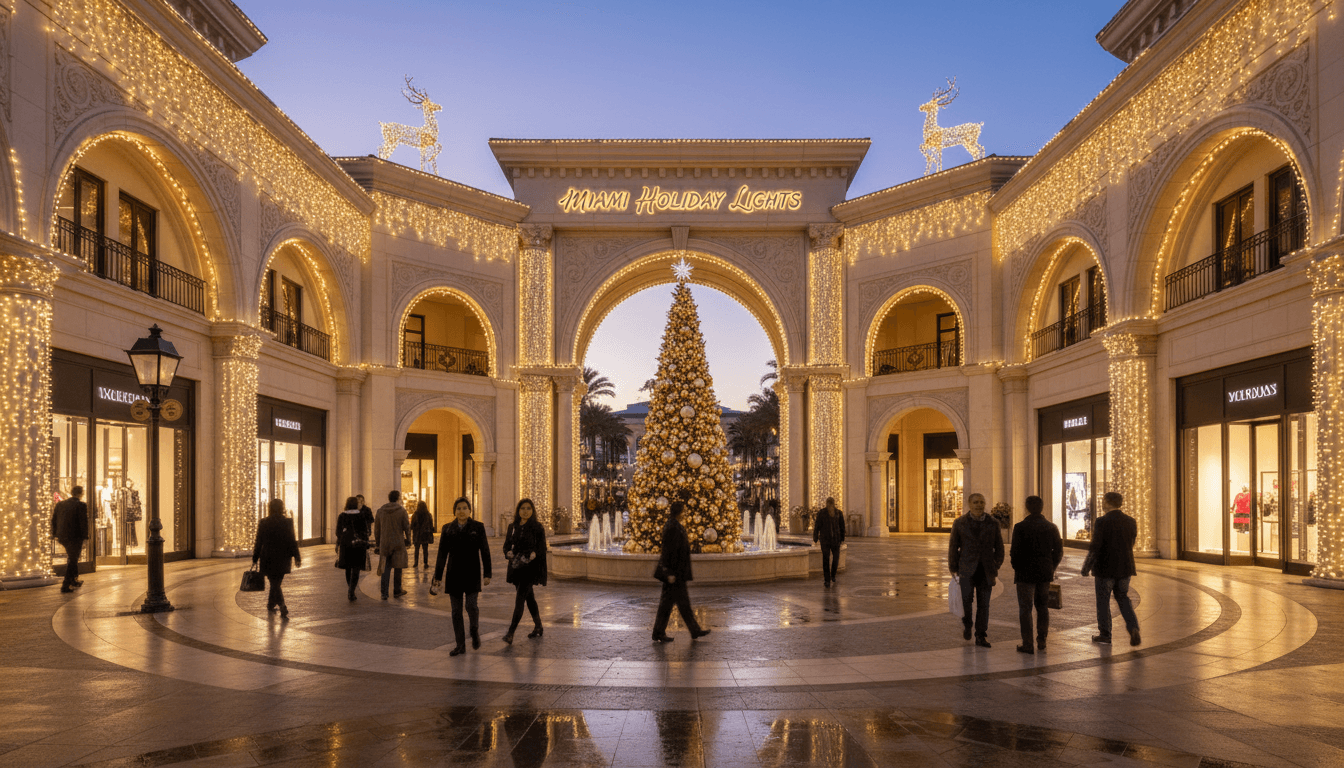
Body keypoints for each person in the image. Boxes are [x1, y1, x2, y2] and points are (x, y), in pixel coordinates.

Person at [432, 497, 492, 656]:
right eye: (458, 508)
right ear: (455, 511)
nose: (461, 511)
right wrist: (437, 577)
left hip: (472, 574)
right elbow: (441, 555)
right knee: (455, 611)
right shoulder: (447, 529)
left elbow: (485, 551)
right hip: (454, 574)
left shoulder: (478, 527)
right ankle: (460, 644)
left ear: (470, 510)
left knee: (471, 606)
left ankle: (474, 630)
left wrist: (487, 574)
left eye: (465, 508)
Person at [1082, 491, 1141, 646]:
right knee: (1123, 598)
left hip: (1105, 568)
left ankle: (1105, 634)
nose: (1102, 503)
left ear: (1108, 502)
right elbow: (1131, 542)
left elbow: (1096, 546)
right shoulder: (1131, 521)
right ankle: (1133, 628)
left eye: (1103, 500)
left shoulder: (1101, 521)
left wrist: (1087, 566)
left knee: (1103, 601)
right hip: (1125, 567)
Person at [948, 492, 1004, 648]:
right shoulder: (959, 523)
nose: (979, 505)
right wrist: (953, 567)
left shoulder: (993, 523)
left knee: (984, 605)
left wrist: (996, 564)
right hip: (966, 569)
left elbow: (999, 547)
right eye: (976, 502)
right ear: (969, 504)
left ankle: (981, 635)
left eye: (982, 502)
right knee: (966, 602)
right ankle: (967, 624)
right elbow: (953, 546)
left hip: (986, 570)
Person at [1010, 495, 1063, 654]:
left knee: (1025, 609)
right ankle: (1042, 641)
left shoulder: (1020, 527)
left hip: (1025, 573)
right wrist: (1051, 566)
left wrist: (1017, 567)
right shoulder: (1051, 527)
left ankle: (1027, 644)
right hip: (1044, 573)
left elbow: (1014, 552)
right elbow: (1058, 551)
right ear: (1042, 507)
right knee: (1042, 608)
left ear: (1026, 508)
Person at [652, 501, 710, 642]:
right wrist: (670, 573)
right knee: (671, 605)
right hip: (675, 574)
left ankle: (693, 630)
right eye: (683, 511)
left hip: (677, 573)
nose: (685, 513)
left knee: (680, 605)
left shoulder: (673, 524)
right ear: (679, 512)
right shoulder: (672, 527)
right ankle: (659, 633)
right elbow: (669, 552)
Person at [502, 498, 548, 644]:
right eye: (523, 508)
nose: (525, 511)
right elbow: (507, 545)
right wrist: (507, 552)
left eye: (528, 508)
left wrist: (535, 553)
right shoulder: (513, 526)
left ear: (532, 511)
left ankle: (510, 633)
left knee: (520, 599)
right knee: (529, 598)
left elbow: (542, 548)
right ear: (518, 510)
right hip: (516, 567)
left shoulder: (537, 527)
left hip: (530, 568)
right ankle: (538, 626)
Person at [252, 498, 301, 618]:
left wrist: (255, 557)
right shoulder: (287, 522)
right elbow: (292, 540)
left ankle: (280, 605)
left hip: (268, 557)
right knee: (276, 582)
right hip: (283, 557)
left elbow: (259, 542)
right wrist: (297, 557)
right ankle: (272, 604)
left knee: (274, 583)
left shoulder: (263, 522)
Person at [50, 486, 89, 593]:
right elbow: (83, 523)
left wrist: (55, 534)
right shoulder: (81, 505)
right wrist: (85, 537)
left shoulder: (60, 504)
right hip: (75, 536)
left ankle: (73, 580)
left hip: (62, 536)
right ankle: (65, 584)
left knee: (73, 557)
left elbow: (54, 520)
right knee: (73, 559)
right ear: (81, 494)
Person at [375, 490, 411, 600]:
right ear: (398, 498)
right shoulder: (401, 510)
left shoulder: (381, 511)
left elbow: (377, 529)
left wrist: (378, 543)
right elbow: (407, 527)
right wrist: (408, 539)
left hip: (385, 543)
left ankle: (384, 593)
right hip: (398, 542)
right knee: (398, 567)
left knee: (385, 568)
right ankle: (397, 590)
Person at [335, 496, 370, 601]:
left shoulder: (342, 516)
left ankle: (350, 588)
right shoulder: (361, 515)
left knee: (348, 567)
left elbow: (338, 532)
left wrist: (342, 538)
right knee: (356, 567)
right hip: (358, 544)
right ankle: (352, 590)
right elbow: (365, 531)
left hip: (346, 544)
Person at [813, 496, 845, 587]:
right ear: (827, 504)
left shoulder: (838, 513)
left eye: (831, 503)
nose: (830, 505)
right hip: (825, 540)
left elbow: (842, 527)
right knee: (826, 559)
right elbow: (817, 526)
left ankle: (833, 575)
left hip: (835, 540)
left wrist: (842, 538)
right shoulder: (822, 513)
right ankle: (827, 580)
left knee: (835, 559)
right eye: (829, 503)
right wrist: (815, 537)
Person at [411, 500, 435, 568]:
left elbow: (412, 525)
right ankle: (425, 563)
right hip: (425, 535)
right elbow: (431, 525)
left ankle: (416, 563)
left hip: (417, 535)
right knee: (425, 550)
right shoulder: (428, 515)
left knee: (416, 550)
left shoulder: (415, 515)